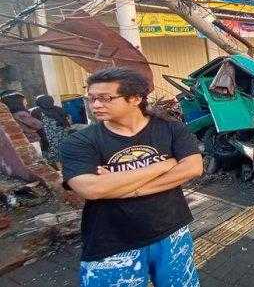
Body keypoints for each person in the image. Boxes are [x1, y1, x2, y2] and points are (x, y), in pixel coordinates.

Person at [60, 67, 203, 287]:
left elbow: (193, 168)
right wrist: (165, 165)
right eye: (92, 99)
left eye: (105, 98)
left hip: (172, 231)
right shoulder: (80, 141)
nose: (95, 105)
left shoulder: (171, 128)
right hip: (112, 242)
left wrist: (122, 185)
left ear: (135, 98)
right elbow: (91, 189)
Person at [30, 95, 71, 165]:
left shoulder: (37, 111)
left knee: (53, 157)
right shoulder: (58, 109)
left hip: (48, 138)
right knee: (63, 154)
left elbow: (34, 125)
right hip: (62, 136)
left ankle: (59, 169)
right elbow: (68, 121)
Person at [2, 92, 43, 156]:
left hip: (18, 143)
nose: (26, 103)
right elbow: (38, 125)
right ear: (17, 103)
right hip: (31, 141)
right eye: (24, 101)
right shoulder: (22, 114)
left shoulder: (10, 115)